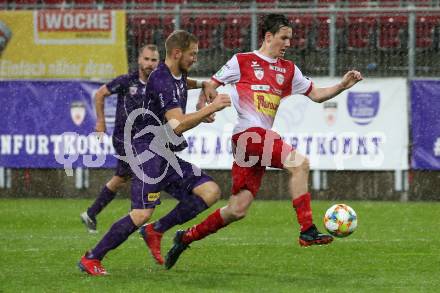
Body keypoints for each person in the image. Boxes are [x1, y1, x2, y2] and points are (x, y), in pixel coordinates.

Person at [164, 14, 363, 269]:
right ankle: (307, 230)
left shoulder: (289, 69)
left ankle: (185, 236)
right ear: (268, 37)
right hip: (247, 135)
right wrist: (207, 103)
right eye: (284, 38)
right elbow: (212, 84)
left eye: (290, 38)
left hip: (256, 141)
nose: (288, 43)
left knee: (237, 208)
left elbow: (316, 94)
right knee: (300, 164)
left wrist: (343, 85)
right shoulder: (242, 60)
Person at [78, 30, 231, 275]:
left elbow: (186, 84)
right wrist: (210, 108)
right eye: (193, 54)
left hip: (164, 152)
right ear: (177, 53)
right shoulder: (161, 79)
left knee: (210, 191)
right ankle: (92, 258)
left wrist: (204, 85)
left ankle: (156, 229)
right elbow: (177, 124)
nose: (195, 59)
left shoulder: (179, 73)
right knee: (140, 212)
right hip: (146, 152)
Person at [80, 44, 160, 233]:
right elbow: (100, 94)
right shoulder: (126, 81)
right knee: (141, 171)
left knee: (121, 177)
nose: (149, 63)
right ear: (140, 60)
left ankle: (91, 213)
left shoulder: (158, 83)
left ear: (158, 63)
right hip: (124, 138)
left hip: (145, 139)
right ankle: (137, 216)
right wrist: (100, 122)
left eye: (153, 60)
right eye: (146, 59)